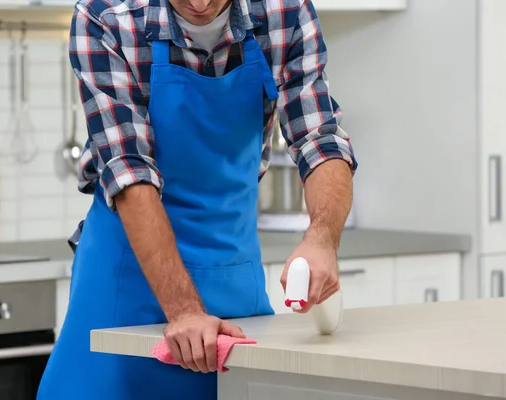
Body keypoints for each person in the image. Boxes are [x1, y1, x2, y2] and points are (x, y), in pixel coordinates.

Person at [37, 0, 357, 396]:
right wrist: (184, 309)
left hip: (232, 273)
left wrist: (322, 236)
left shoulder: (285, 10)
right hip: (126, 282)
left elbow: (317, 136)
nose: (201, 4)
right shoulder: (106, 15)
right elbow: (128, 169)